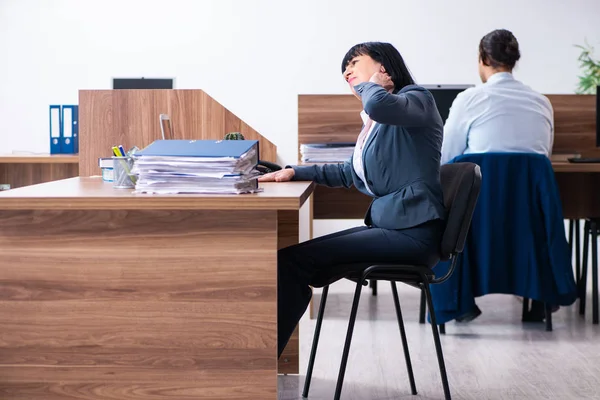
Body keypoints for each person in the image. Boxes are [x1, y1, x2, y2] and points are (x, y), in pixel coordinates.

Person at [259, 42, 447, 357]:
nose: (346, 71)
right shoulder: (382, 121)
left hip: (413, 234)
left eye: (354, 63)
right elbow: (351, 173)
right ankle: (262, 366)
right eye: (344, 69)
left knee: (290, 263)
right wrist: (295, 171)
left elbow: (378, 106)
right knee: (291, 261)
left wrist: (372, 85)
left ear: (384, 65)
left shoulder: (417, 99)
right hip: (395, 227)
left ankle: (260, 368)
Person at [440, 29, 554, 165]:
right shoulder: (542, 103)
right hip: (529, 186)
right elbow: (546, 158)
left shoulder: (468, 99)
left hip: (484, 186)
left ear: (485, 59)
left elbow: (444, 158)